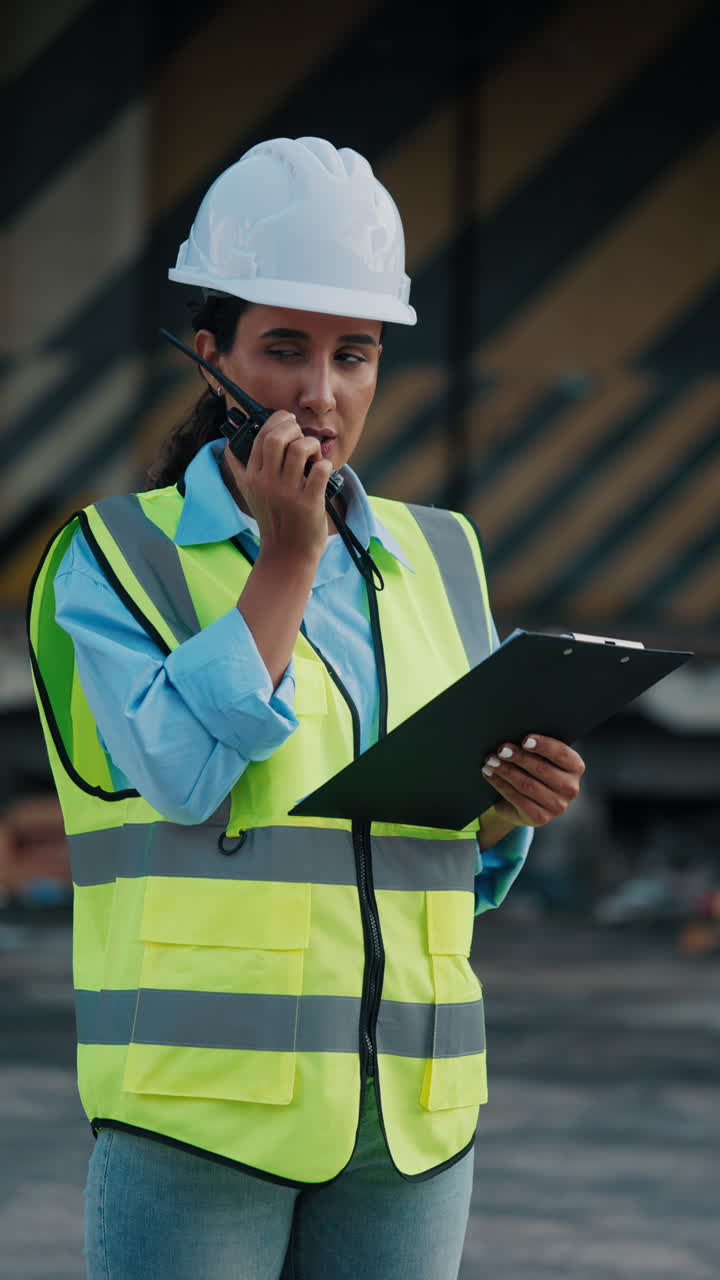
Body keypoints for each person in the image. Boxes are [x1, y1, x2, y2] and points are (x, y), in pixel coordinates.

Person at [28, 137, 585, 1279]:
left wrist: (507, 810)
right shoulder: (114, 560)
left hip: (410, 1118)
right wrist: (283, 564)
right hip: (203, 1117)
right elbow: (184, 777)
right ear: (212, 356)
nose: (321, 393)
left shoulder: (441, 556)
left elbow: (443, 856)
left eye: (355, 354)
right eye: (283, 349)